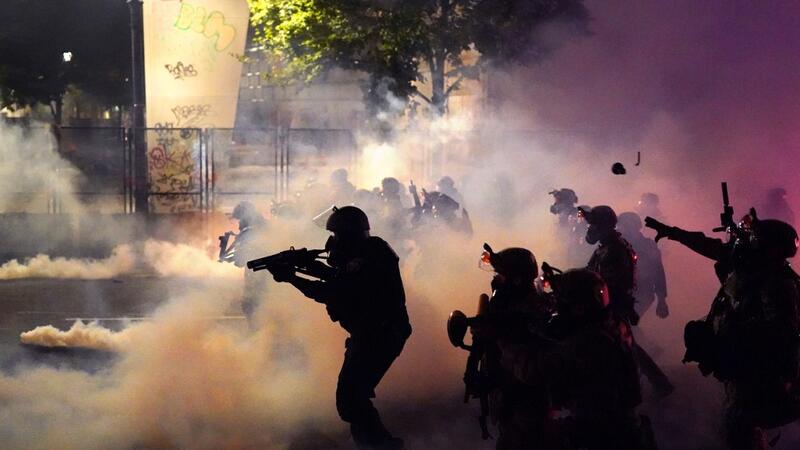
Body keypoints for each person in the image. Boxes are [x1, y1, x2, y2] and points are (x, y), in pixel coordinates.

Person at [646, 216, 800, 450]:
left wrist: (732, 338)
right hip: (744, 366)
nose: (744, 242)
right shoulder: (753, 267)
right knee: (740, 427)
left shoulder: (777, 283)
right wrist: (673, 232)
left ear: (770, 248)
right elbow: (712, 247)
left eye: (752, 238)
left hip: (760, 372)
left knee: (739, 428)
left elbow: (782, 333)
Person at [270, 206, 411, 449]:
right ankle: (373, 443)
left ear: (348, 235)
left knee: (351, 400)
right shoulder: (371, 251)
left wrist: (291, 277)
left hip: (379, 334)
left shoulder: (369, 256)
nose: (332, 241)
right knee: (354, 399)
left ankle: (381, 445)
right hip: (376, 333)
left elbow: (331, 291)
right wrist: (304, 266)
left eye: (336, 235)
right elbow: (340, 277)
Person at [582, 205, 674, 397]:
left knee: (624, 343)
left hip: (617, 303)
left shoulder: (615, 249)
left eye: (594, 225)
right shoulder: (606, 247)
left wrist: (661, 299)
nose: (590, 229)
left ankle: (643, 384)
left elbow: (613, 283)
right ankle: (656, 381)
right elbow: (590, 273)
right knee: (627, 343)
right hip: (613, 302)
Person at [470, 245, 556, 449]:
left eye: (501, 276)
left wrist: (498, 335)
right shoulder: (512, 305)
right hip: (511, 399)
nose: (496, 280)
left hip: (527, 403)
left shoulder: (534, 311)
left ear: (516, 280)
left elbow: (531, 369)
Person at [220, 201, 268, 323]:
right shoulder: (265, 227)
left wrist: (230, 257)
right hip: (270, 277)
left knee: (250, 305)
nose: (238, 225)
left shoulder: (247, 233)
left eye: (239, 220)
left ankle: (257, 331)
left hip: (256, 277)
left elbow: (240, 261)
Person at [617, 212, 669, 319]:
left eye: (624, 226)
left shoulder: (647, 246)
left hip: (642, 293)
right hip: (619, 294)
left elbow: (658, 272)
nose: (621, 229)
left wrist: (661, 300)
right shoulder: (616, 245)